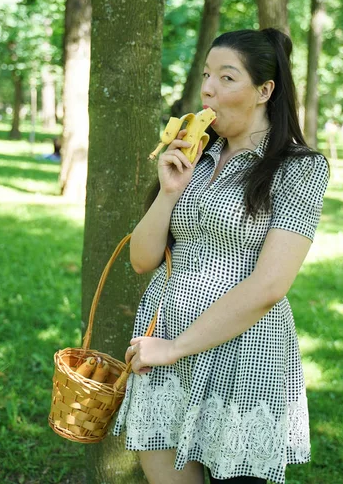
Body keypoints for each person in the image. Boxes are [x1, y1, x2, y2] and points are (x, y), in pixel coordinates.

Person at [113, 28, 330, 484]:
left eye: (227, 77)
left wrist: (175, 348)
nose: (208, 87)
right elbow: (141, 259)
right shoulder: (196, 154)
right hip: (163, 343)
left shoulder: (298, 167)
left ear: (264, 91)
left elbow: (271, 285)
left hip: (243, 355)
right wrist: (169, 192)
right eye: (208, 75)